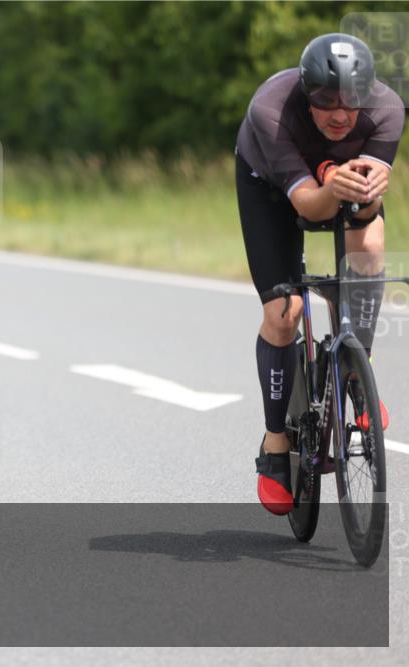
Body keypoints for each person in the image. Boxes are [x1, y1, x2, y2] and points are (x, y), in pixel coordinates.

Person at [236, 33, 404, 514]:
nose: (339, 114)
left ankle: (358, 373)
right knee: (285, 313)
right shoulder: (271, 109)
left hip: (336, 181)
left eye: (351, 102)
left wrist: (368, 195)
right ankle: (273, 445)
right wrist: (335, 185)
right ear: (306, 93)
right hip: (268, 185)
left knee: (368, 244)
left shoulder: (388, 110)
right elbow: (309, 204)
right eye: (325, 101)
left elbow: (365, 205)